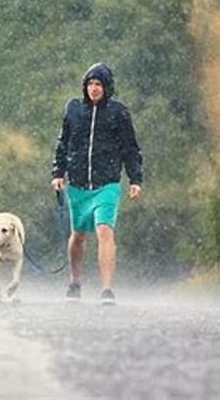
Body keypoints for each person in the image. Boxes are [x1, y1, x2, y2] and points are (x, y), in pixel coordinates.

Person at [51, 62, 143, 305]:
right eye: (90, 84)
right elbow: (63, 143)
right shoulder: (73, 109)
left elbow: (130, 147)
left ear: (107, 87)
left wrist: (135, 178)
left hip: (107, 183)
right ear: (85, 87)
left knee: (105, 230)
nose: (94, 88)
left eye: (98, 84)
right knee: (78, 235)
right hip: (78, 183)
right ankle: (74, 281)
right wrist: (58, 173)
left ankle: (106, 289)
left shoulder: (118, 112)